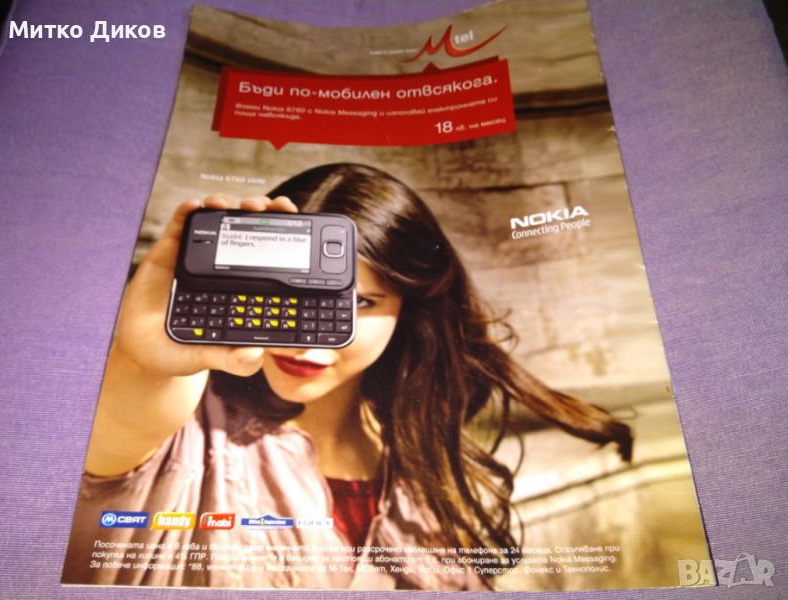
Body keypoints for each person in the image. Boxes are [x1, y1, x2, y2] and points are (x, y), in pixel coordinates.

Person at [62, 163, 632, 590]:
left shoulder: (428, 468)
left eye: (359, 303)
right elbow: (122, 427)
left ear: (408, 309)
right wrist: (141, 365)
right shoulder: (183, 426)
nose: (309, 338)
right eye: (291, 298)